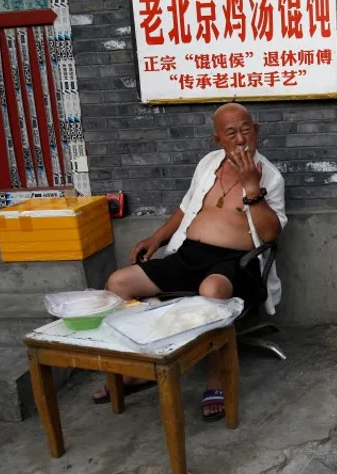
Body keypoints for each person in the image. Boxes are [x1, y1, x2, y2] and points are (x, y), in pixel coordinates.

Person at [92, 103, 287, 420]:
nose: (240, 139)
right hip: (188, 255)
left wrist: (252, 186)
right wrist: (157, 238)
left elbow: (270, 235)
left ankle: (216, 377)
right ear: (217, 140)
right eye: (231, 133)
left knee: (211, 290)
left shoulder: (270, 176)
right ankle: (142, 367)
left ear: (257, 130)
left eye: (246, 129)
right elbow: (187, 208)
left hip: (236, 263)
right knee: (118, 283)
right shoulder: (208, 164)